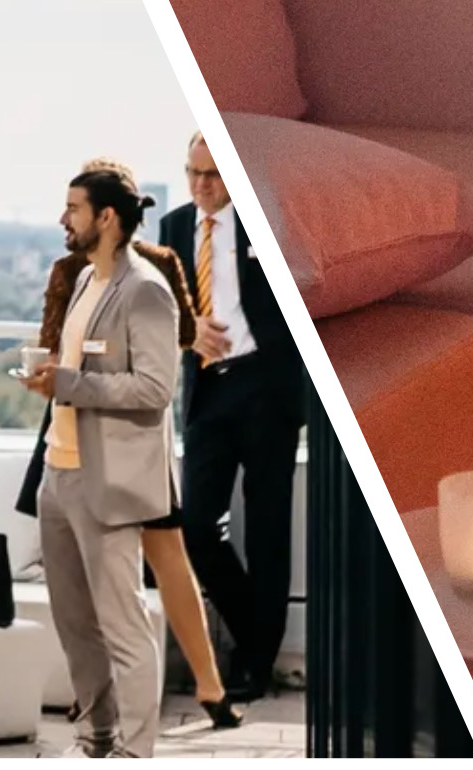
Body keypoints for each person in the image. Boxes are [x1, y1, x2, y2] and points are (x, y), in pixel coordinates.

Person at [26, 162, 194, 759]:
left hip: (108, 483)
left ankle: (136, 751)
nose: (63, 219)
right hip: (58, 474)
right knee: (75, 623)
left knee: (123, 624)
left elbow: (155, 388)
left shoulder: (146, 290)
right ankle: (95, 738)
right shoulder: (83, 282)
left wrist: (70, 383)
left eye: (73, 209)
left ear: (106, 217)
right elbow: (82, 368)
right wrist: (53, 378)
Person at [162, 136, 305, 705]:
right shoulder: (174, 227)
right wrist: (187, 328)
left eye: (213, 175)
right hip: (207, 393)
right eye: (193, 173)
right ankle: (253, 639)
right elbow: (162, 306)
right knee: (197, 526)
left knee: (269, 530)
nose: (201, 185)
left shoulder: (266, 222)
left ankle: (256, 665)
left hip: (266, 388)